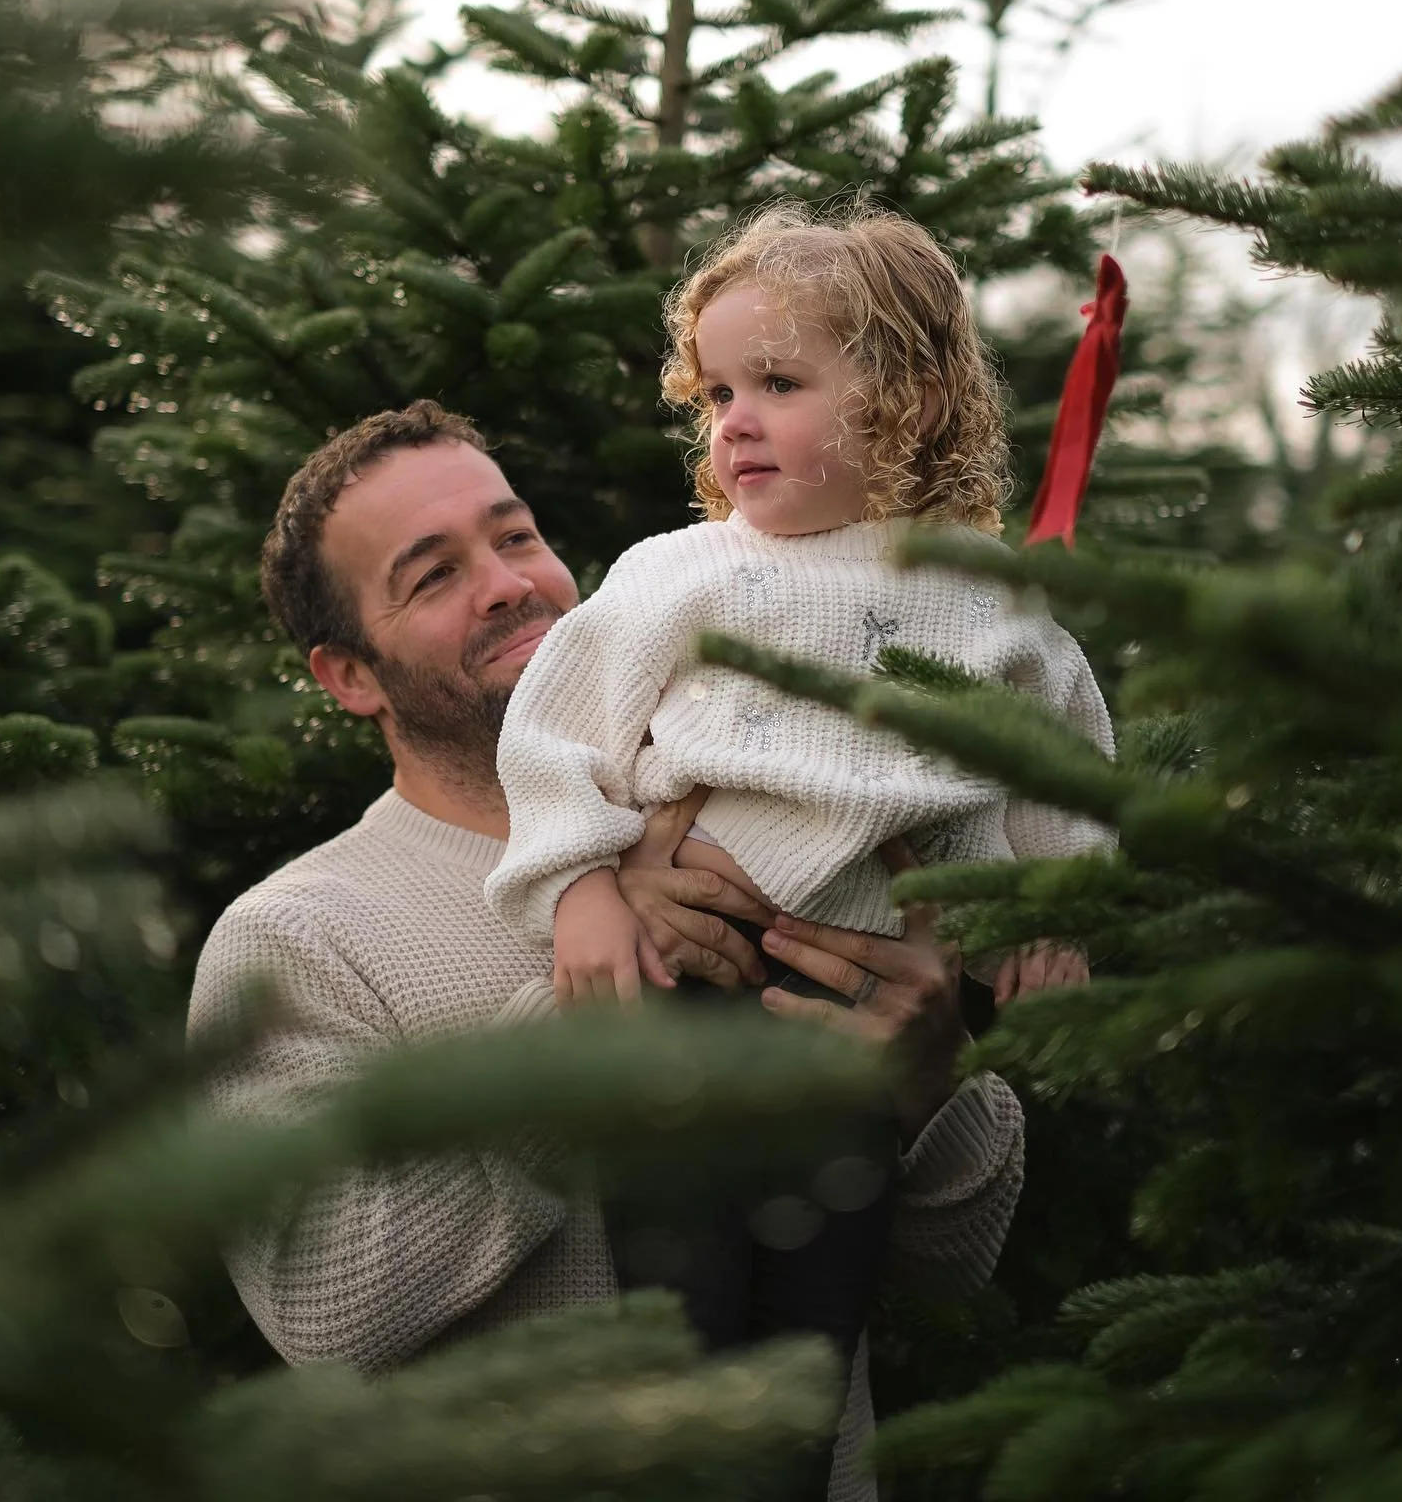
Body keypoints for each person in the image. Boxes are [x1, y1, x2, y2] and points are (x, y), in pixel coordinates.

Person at [187, 399, 1028, 1502]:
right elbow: (327, 1305)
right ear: (350, 676)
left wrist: (930, 1081)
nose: (506, 583)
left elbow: (956, 1268)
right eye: (431, 575)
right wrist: (586, 1002)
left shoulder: (768, 818)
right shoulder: (295, 937)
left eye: (516, 534)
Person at [485, 204, 1113, 1487]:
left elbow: (1061, 757)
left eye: (779, 383)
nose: (735, 421)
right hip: (687, 1006)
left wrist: (1056, 912)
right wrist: (582, 892)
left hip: (849, 1033)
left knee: (811, 1350)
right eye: (718, 391)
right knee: (690, 1308)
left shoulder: (986, 591)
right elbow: (554, 740)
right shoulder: (681, 573)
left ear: (915, 399)